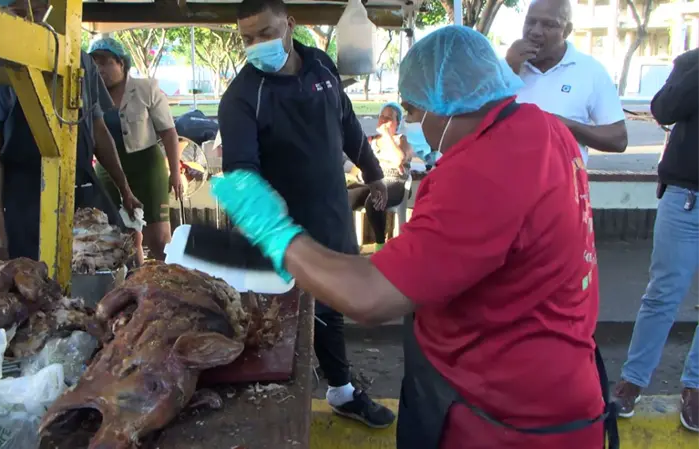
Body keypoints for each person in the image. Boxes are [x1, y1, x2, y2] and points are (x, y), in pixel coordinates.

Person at [211, 26, 618, 449]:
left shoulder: (482, 170)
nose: (417, 125)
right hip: (556, 379)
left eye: (418, 112)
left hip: (505, 418)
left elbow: (370, 296)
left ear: (450, 101)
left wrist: (275, 233)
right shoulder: (543, 127)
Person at [218, 0, 394, 428]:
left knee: (331, 307)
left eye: (265, 33)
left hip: (330, 210)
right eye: (247, 38)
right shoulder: (241, 97)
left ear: (290, 25)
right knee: (273, 318)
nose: (256, 45)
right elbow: (241, 173)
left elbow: (347, 123)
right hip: (281, 230)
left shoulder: (320, 66)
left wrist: (373, 174)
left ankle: (341, 390)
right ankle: (266, 405)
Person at [0, 0, 141, 261]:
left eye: (40, 8)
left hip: (80, 184)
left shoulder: (79, 60)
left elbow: (99, 131)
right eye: (19, 11)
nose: (32, 16)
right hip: (25, 196)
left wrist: (125, 189)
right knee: (35, 274)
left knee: (113, 258)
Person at [613, 47, 699, 431]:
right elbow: (663, 110)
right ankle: (632, 381)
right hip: (686, 198)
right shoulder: (690, 63)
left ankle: (695, 386)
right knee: (664, 292)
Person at [88, 37, 183, 264]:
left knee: (159, 239)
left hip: (147, 169)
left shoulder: (146, 88)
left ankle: (169, 280)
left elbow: (169, 133)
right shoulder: (89, 94)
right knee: (126, 239)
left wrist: (175, 173)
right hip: (109, 172)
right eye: (95, 64)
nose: (100, 70)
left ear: (121, 63)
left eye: (105, 62)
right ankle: (136, 280)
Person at [506, 0, 627, 163]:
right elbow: (477, 125)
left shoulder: (590, 71)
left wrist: (565, 126)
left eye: (548, 25)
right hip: (507, 176)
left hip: (564, 179)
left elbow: (618, 140)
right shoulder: (502, 68)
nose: (535, 31)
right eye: (531, 22)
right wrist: (508, 68)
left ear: (567, 30)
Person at [346, 102, 412, 250]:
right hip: (372, 182)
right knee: (345, 197)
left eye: (388, 118)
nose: (383, 120)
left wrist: (387, 135)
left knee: (374, 199)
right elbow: (360, 164)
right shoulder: (371, 141)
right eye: (382, 116)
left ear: (397, 123)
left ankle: (380, 245)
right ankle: (349, 242)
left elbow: (399, 159)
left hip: (396, 183)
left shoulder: (401, 140)